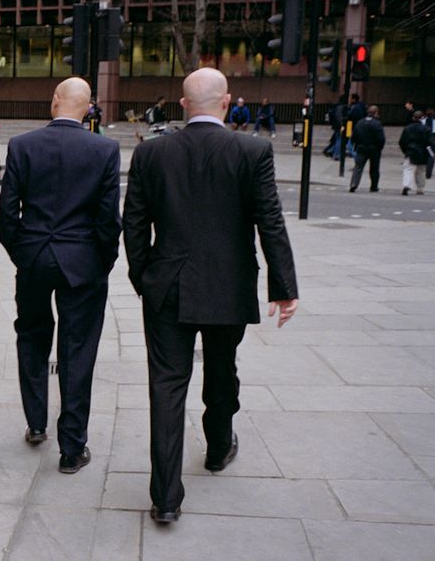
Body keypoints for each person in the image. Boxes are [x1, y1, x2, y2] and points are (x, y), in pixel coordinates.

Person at [122, 67, 298, 525]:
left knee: (166, 386)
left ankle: (164, 498)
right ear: (227, 102)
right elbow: (269, 221)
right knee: (222, 370)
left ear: (182, 105)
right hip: (228, 284)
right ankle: (218, 448)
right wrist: (284, 289)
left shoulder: (151, 154)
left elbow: (134, 225)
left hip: (168, 286)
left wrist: (144, 277)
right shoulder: (252, 150)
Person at [0, 77, 122, 475]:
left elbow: (6, 213)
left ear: (54, 102)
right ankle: (72, 447)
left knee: (31, 337)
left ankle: (36, 422)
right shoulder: (105, 149)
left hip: (34, 257)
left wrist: (22, 252)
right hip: (81, 261)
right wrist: (103, 261)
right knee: (77, 349)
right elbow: (108, 219)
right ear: (88, 109)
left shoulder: (22, 145)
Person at [349, 105, 386, 193]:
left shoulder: (360, 122)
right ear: (376, 113)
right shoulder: (377, 124)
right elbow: (381, 138)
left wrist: (356, 145)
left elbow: (354, 136)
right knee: (374, 168)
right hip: (374, 148)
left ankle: (354, 184)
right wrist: (379, 147)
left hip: (361, 147)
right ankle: (374, 186)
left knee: (358, 167)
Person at [399, 110, 432, 195]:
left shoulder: (407, 128)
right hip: (423, 152)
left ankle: (406, 185)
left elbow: (402, 141)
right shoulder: (426, 129)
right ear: (422, 118)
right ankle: (420, 188)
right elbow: (430, 142)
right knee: (421, 171)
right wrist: (432, 153)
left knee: (408, 169)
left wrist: (405, 151)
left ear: (413, 117)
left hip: (410, 151)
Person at [323, 94, 347, 159]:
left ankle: (331, 151)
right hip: (339, 126)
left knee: (337, 139)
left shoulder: (338, 106)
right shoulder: (341, 107)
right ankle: (336, 154)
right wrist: (342, 124)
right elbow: (339, 117)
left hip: (336, 126)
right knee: (339, 140)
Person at [425, 108, 435, 179]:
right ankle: (429, 171)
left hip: (424, 139)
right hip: (432, 139)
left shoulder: (423, 121)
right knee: (432, 155)